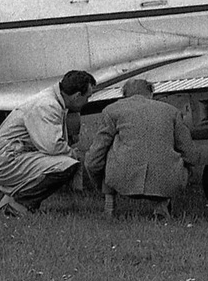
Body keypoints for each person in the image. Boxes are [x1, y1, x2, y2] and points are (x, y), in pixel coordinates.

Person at [0, 70, 97, 217]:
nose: (87, 102)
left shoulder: (51, 99)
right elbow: (52, 146)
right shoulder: (47, 105)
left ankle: (12, 200)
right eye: (87, 97)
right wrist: (76, 155)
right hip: (6, 161)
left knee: (66, 161)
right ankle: (19, 205)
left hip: (10, 156)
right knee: (66, 165)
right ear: (77, 96)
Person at [85, 78, 199, 220]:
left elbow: (96, 154)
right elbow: (190, 152)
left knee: (106, 152)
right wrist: (188, 167)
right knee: (175, 161)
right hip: (165, 180)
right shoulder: (171, 112)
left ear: (124, 95)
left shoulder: (112, 111)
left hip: (121, 179)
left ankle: (110, 204)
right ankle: (161, 207)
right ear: (151, 93)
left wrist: (97, 181)